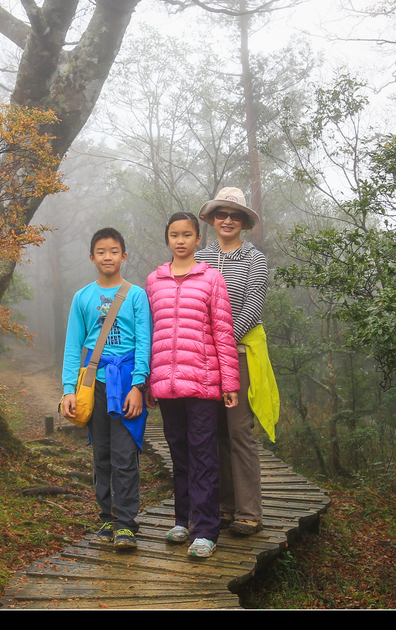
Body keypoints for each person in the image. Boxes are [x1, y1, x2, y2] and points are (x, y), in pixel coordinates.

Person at [145, 212, 240, 558]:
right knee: (179, 454)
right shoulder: (154, 281)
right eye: (174, 234)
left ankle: (206, 530)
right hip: (166, 385)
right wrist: (148, 381)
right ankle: (182, 520)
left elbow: (223, 332)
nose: (181, 240)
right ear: (167, 239)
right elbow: (149, 333)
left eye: (187, 234)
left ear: (199, 239)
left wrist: (230, 382)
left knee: (204, 455)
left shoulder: (211, 279)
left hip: (202, 384)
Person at [196, 187, 279, 538]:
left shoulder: (255, 259)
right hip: (204, 357)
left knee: (239, 431)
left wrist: (223, 343)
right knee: (214, 433)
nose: (228, 220)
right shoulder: (199, 258)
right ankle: (226, 507)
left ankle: (249, 511)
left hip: (241, 353)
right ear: (213, 219)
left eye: (235, 215)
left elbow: (252, 307)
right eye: (221, 214)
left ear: (244, 222)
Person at [61, 228, 151, 550]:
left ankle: (126, 524)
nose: (108, 257)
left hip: (127, 383)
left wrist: (139, 385)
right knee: (101, 454)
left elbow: (144, 342)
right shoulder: (82, 297)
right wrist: (68, 389)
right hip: (94, 383)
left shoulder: (137, 295)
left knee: (125, 455)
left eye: (114, 251)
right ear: (92, 257)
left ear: (124, 256)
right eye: (101, 251)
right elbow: (74, 346)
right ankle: (107, 519)